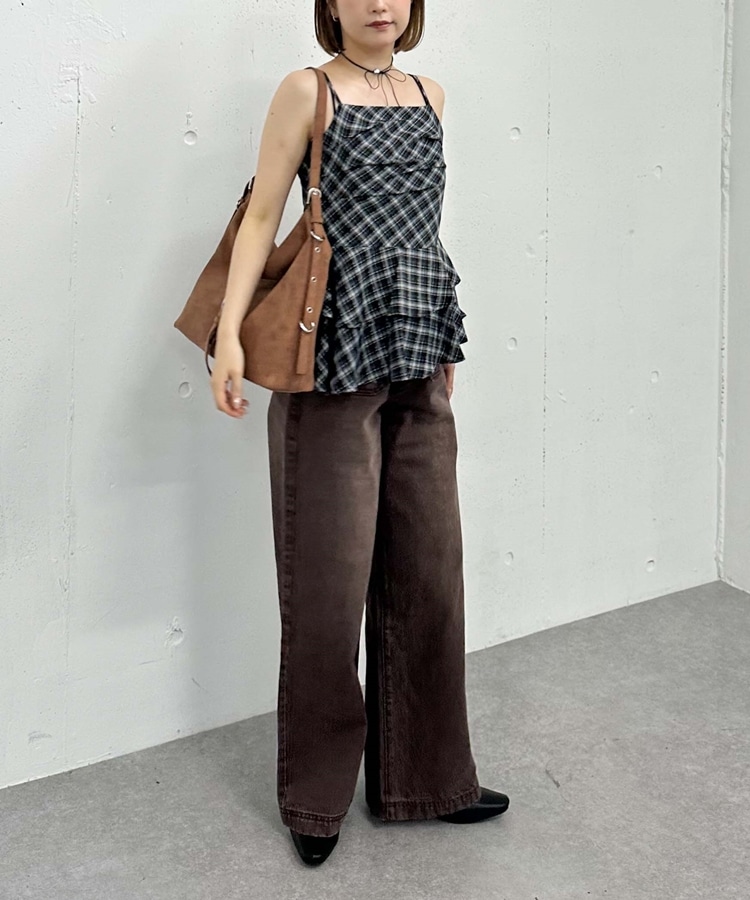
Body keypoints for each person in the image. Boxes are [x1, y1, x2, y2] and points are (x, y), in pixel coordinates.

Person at [209, 0, 510, 866]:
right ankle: (315, 799)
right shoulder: (307, 92)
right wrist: (229, 337)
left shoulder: (430, 95)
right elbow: (263, 217)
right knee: (327, 591)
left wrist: (440, 332)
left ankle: (429, 779)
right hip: (330, 359)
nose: (381, 2)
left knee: (429, 576)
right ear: (330, 5)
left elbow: (423, 231)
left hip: (418, 350)